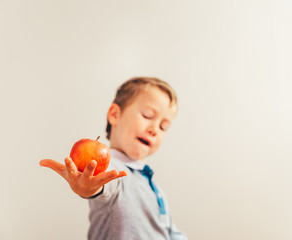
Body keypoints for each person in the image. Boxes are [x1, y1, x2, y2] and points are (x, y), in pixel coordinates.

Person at [40, 77, 188, 240]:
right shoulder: (113, 170)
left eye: (163, 127)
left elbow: (169, 231)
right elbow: (106, 185)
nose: (155, 129)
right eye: (147, 115)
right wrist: (89, 189)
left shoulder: (153, 184)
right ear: (115, 115)